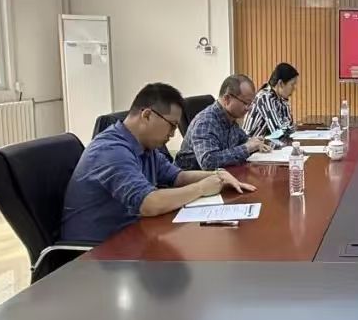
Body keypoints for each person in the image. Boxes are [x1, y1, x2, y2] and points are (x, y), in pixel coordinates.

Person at [62, 83, 255, 243]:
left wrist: (217, 175)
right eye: (172, 125)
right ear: (147, 115)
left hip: (131, 237)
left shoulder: (146, 147)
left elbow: (177, 176)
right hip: (96, 252)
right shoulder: (111, 150)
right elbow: (149, 203)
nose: (173, 134)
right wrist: (201, 188)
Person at [175, 74, 270, 170]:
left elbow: (243, 140)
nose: (248, 108)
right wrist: (247, 148)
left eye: (250, 104)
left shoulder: (231, 119)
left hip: (220, 175)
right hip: (191, 177)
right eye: (245, 103)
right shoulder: (205, 122)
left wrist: (255, 142)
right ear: (227, 99)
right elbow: (208, 162)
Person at [242, 63, 299, 137]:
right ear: (280, 83)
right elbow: (277, 131)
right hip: (252, 142)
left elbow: (289, 126)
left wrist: (289, 128)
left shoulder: (281, 99)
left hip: (268, 142)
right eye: (292, 84)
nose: (294, 88)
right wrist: (289, 128)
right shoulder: (264, 97)